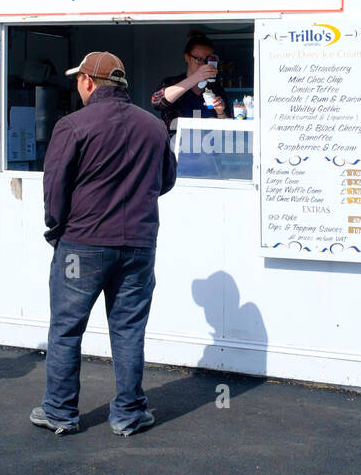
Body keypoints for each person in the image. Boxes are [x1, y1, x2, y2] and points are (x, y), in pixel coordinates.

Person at [32, 51, 177, 436]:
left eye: (78, 80)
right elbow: (166, 181)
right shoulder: (154, 127)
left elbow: (55, 190)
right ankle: (129, 414)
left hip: (82, 243)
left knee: (66, 328)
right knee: (128, 329)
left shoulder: (72, 125)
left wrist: (56, 230)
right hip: (139, 244)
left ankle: (60, 412)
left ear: (89, 81)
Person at [150, 30, 234, 132]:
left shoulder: (215, 88)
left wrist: (221, 112)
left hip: (209, 145)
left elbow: (229, 131)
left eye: (208, 60)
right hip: (176, 145)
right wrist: (196, 77)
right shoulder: (172, 83)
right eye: (199, 59)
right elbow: (156, 101)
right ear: (187, 57)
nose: (204, 65)